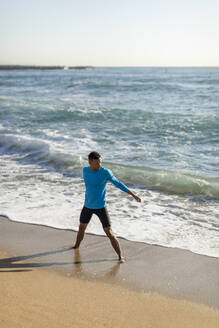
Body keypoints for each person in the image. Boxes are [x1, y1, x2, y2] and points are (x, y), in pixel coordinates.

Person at [73, 151, 141, 262]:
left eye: (100, 162)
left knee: (109, 232)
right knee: (81, 228)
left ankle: (120, 256)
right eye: (97, 163)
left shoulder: (106, 172)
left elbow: (118, 183)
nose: (99, 165)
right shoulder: (85, 170)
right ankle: (76, 246)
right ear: (90, 162)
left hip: (101, 207)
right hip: (88, 206)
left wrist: (132, 194)